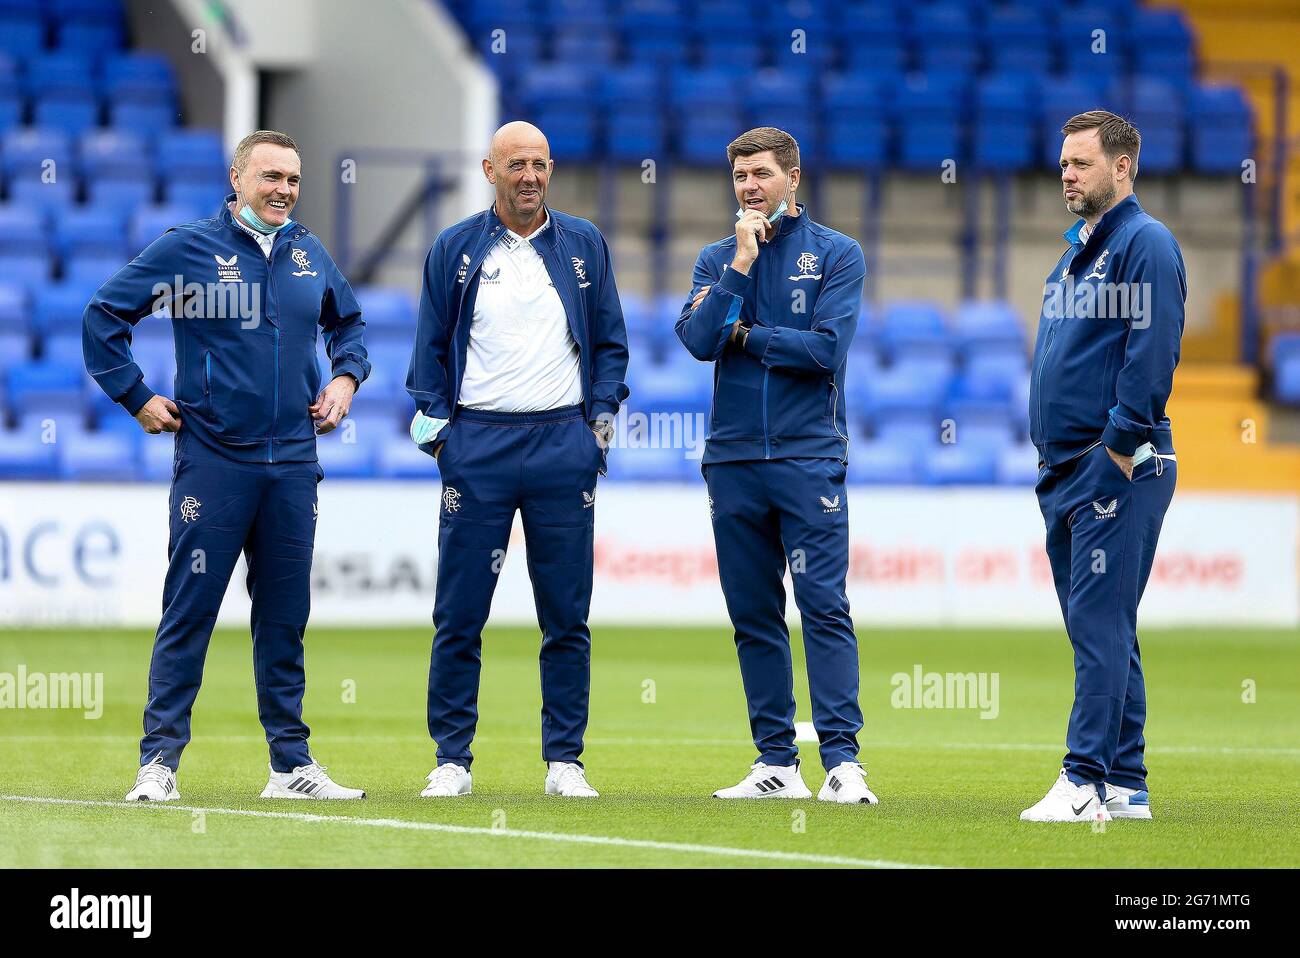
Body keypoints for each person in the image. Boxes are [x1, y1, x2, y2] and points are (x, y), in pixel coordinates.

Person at [83, 130, 370, 802]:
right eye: (271, 176)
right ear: (238, 178)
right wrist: (136, 396)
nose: (284, 191)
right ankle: (159, 765)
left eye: (293, 180)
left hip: (294, 462)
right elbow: (104, 317)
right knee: (190, 611)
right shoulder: (189, 248)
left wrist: (346, 381)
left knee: (284, 617)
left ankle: (290, 767)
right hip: (213, 461)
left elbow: (349, 326)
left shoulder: (307, 253)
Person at [407, 121, 629, 799]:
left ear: (551, 169)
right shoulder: (457, 247)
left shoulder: (585, 243)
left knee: (567, 613)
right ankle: (452, 760)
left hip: (563, 444)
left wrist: (599, 422)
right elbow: (429, 355)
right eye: (515, 165)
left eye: (538, 164)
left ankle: (565, 761)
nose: (528, 176)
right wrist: (444, 440)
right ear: (489, 169)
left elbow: (612, 343)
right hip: (479, 446)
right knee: (460, 612)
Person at [676, 127, 875, 804]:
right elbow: (700, 341)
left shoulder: (836, 255)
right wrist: (739, 264)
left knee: (823, 606)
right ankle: (776, 764)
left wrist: (747, 335)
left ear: (793, 176)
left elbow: (824, 351)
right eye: (739, 177)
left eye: (761, 174)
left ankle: (843, 764)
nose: (749, 187)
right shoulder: (715, 259)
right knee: (754, 615)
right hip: (731, 460)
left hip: (807, 455)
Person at [1022, 111, 1184, 823]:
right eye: (1063, 162)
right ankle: (1126, 780)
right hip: (1068, 468)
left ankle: (1082, 778)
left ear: (1123, 167)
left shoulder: (1144, 244)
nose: (1067, 173)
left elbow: (1154, 354)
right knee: (1106, 623)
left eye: (1082, 163)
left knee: (1098, 624)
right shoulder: (1076, 253)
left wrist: (1117, 450)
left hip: (1116, 463)